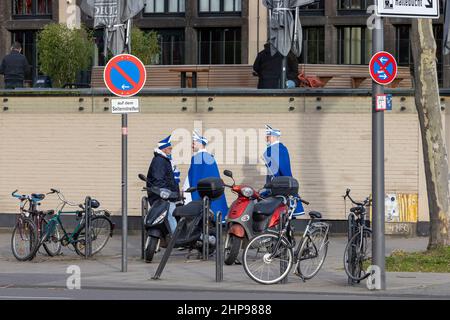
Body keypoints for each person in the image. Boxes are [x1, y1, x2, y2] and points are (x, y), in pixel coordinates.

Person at [183, 130, 228, 221]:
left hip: (201, 196)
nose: (192, 146)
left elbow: (194, 178)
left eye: (194, 143)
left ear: (200, 143)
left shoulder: (197, 158)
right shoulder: (209, 157)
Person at [262, 124, 304, 215]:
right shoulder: (274, 149)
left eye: (268, 136)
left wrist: (286, 185)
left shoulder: (278, 149)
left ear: (273, 137)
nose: (266, 139)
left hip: (279, 184)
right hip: (274, 184)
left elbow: (283, 169)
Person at [147, 135, 180, 233]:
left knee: (170, 216)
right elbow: (159, 180)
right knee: (171, 216)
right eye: (169, 148)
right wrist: (167, 193)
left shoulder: (163, 160)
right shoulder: (160, 161)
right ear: (164, 149)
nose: (171, 150)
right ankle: (176, 238)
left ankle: (167, 238)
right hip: (164, 197)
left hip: (166, 195)